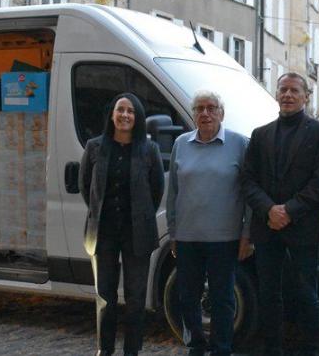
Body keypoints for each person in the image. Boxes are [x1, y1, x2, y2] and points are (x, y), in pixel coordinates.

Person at [242, 72, 319, 356]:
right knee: (269, 294)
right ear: (277, 94)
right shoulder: (260, 134)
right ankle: (273, 348)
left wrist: (288, 211)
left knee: (307, 294)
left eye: (294, 90)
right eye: (283, 90)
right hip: (266, 225)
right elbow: (247, 180)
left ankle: (310, 349)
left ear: (306, 96)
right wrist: (269, 209)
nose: (288, 95)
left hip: (302, 227)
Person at [166, 90, 253, 356]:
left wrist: (246, 234)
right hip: (188, 237)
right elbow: (173, 193)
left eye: (211, 108)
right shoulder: (181, 143)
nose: (205, 113)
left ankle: (221, 348)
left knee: (223, 299)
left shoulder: (240, 144)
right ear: (193, 114)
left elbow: (249, 194)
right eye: (199, 108)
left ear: (221, 113)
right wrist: (173, 233)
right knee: (188, 297)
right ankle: (195, 346)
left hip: (225, 238)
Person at [79, 93, 165, 356]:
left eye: (130, 111)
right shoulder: (94, 147)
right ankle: (104, 351)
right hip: (103, 233)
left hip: (136, 233)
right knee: (105, 297)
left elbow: (156, 190)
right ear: (112, 114)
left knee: (136, 298)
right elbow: (86, 188)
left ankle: (132, 352)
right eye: (120, 110)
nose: (125, 115)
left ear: (137, 118)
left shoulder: (149, 149)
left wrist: (138, 214)